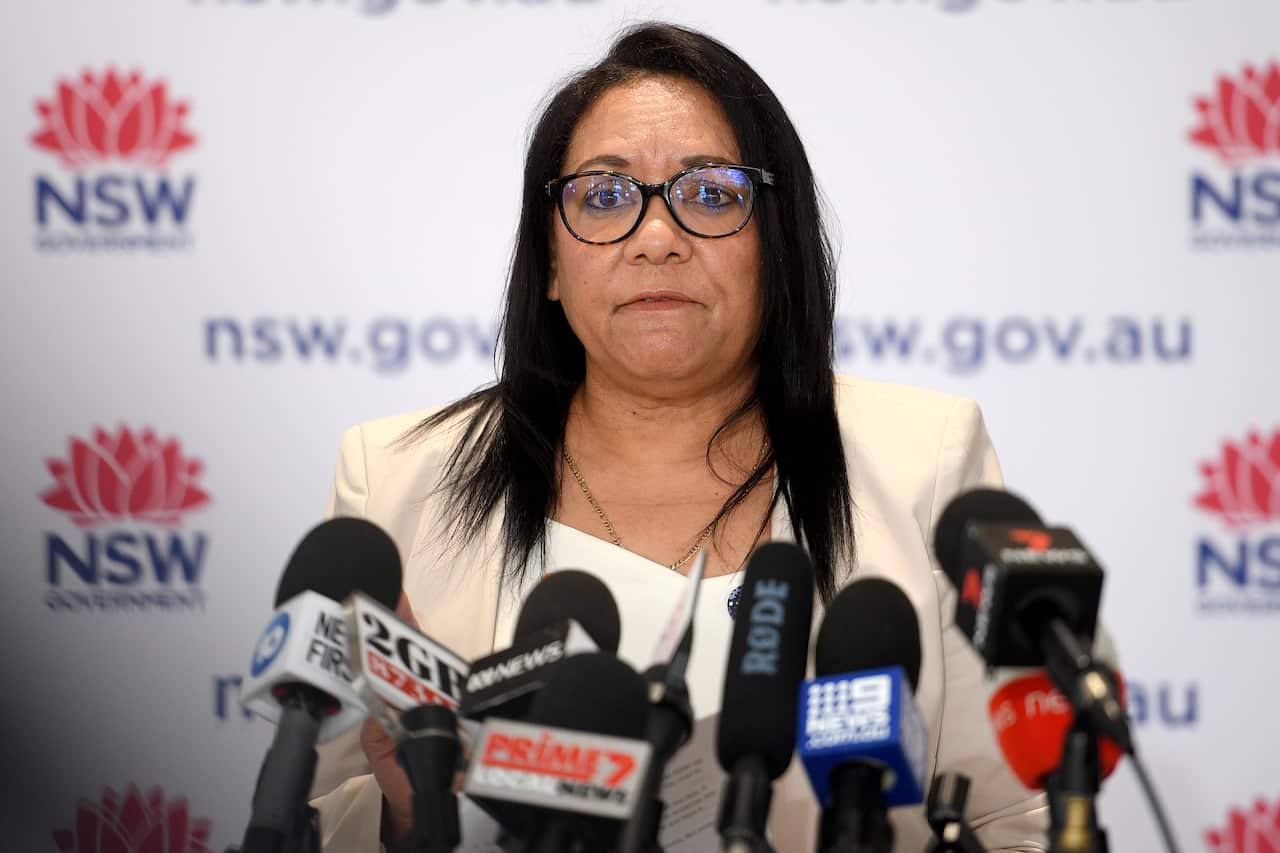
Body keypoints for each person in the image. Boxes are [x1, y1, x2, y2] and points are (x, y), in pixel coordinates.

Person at [309, 22, 1047, 852]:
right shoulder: (395, 480)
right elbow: (320, 806)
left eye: (710, 192)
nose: (656, 237)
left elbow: (1017, 819)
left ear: (777, 243)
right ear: (549, 259)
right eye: (604, 195)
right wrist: (410, 811)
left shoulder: (926, 462)